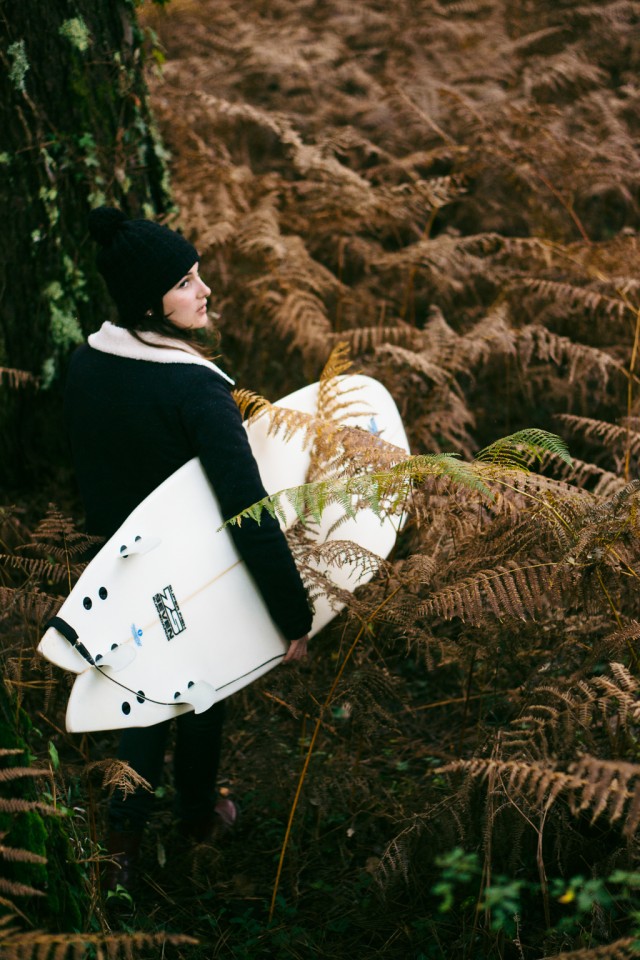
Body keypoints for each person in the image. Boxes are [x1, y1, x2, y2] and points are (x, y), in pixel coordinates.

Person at [64, 206, 312, 891]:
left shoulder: (86, 363)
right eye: (184, 282)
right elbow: (249, 512)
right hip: (195, 574)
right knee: (201, 690)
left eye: (197, 274)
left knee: (146, 697)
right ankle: (195, 819)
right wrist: (292, 615)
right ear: (151, 303)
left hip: (117, 568)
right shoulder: (198, 388)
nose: (204, 291)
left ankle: (122, 848)